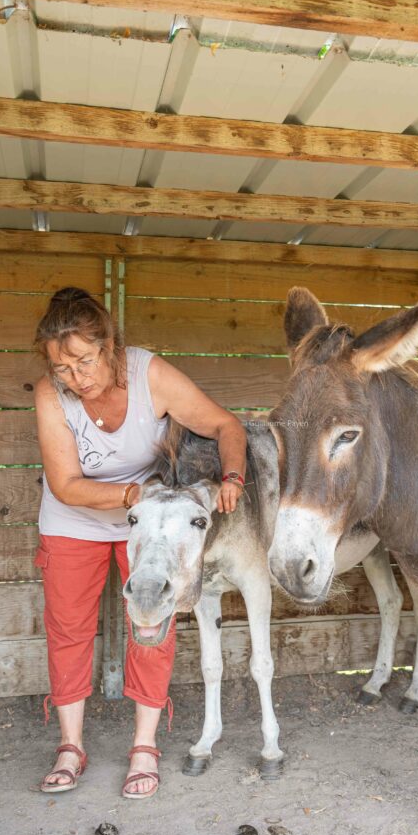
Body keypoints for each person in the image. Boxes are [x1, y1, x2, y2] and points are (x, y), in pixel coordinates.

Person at [33, 287, 246, 799]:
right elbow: (66, 485)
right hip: (74, 519)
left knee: (152, 614)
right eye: (61, 369)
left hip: (148, 522)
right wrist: (132, 494)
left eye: (84, 361)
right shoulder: (50, 393)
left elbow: (225, 424)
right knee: (68, 628)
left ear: (110, 347)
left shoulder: (150, 375)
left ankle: (144, 746)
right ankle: (70, 746)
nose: (75, 378)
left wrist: (234, 478)